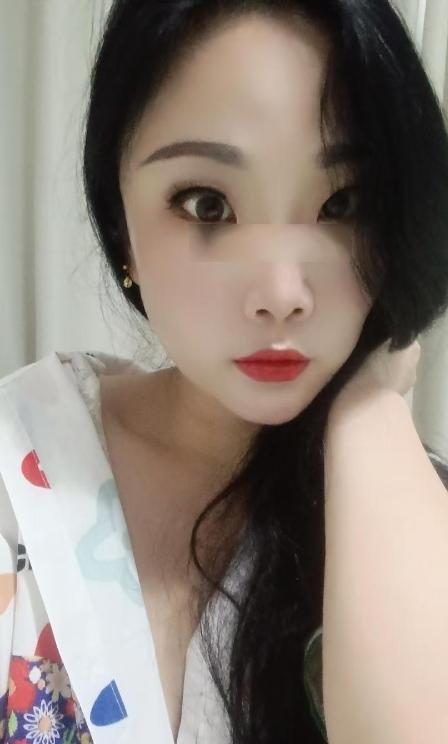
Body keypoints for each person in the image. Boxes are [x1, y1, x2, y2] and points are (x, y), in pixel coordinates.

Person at [1, 1, 448, 742]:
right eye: (207, 205)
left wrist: (368, 408)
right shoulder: (19, 468)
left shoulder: (408, 509)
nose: (281, 293)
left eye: (343, 203)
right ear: (121, 227)